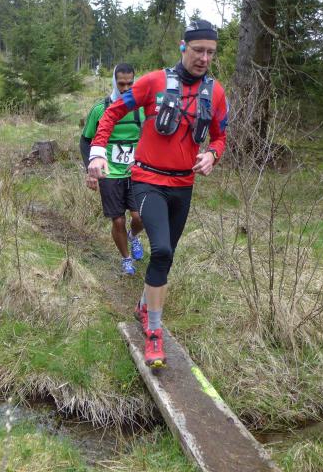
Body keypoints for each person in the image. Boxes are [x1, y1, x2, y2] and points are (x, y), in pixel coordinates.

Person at [87, 19, 228, 369]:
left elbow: (220, 135)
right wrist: (97, 152)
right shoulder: (154, 81)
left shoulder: (215, 92)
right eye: (198, 50)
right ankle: (153, 332)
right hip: (148, 180)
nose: (204, 58)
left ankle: (143, 305)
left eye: (211, 52)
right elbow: (113, 112)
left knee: (166, 256)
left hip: (184, 185)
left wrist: (213, 154)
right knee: (161, 249)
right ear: (183, 47)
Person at [80, 63, 146, 276]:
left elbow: (149, 138)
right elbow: (85, 140)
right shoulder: (100, 109)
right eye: (121, 84)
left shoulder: (141, 109)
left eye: (130, 84)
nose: (126, 88)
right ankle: (126, 259)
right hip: (109, 172)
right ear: (114, 83)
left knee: (140, 217)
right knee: (118, 220)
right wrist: (90, 170)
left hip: (135, 172)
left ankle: (133, 236)